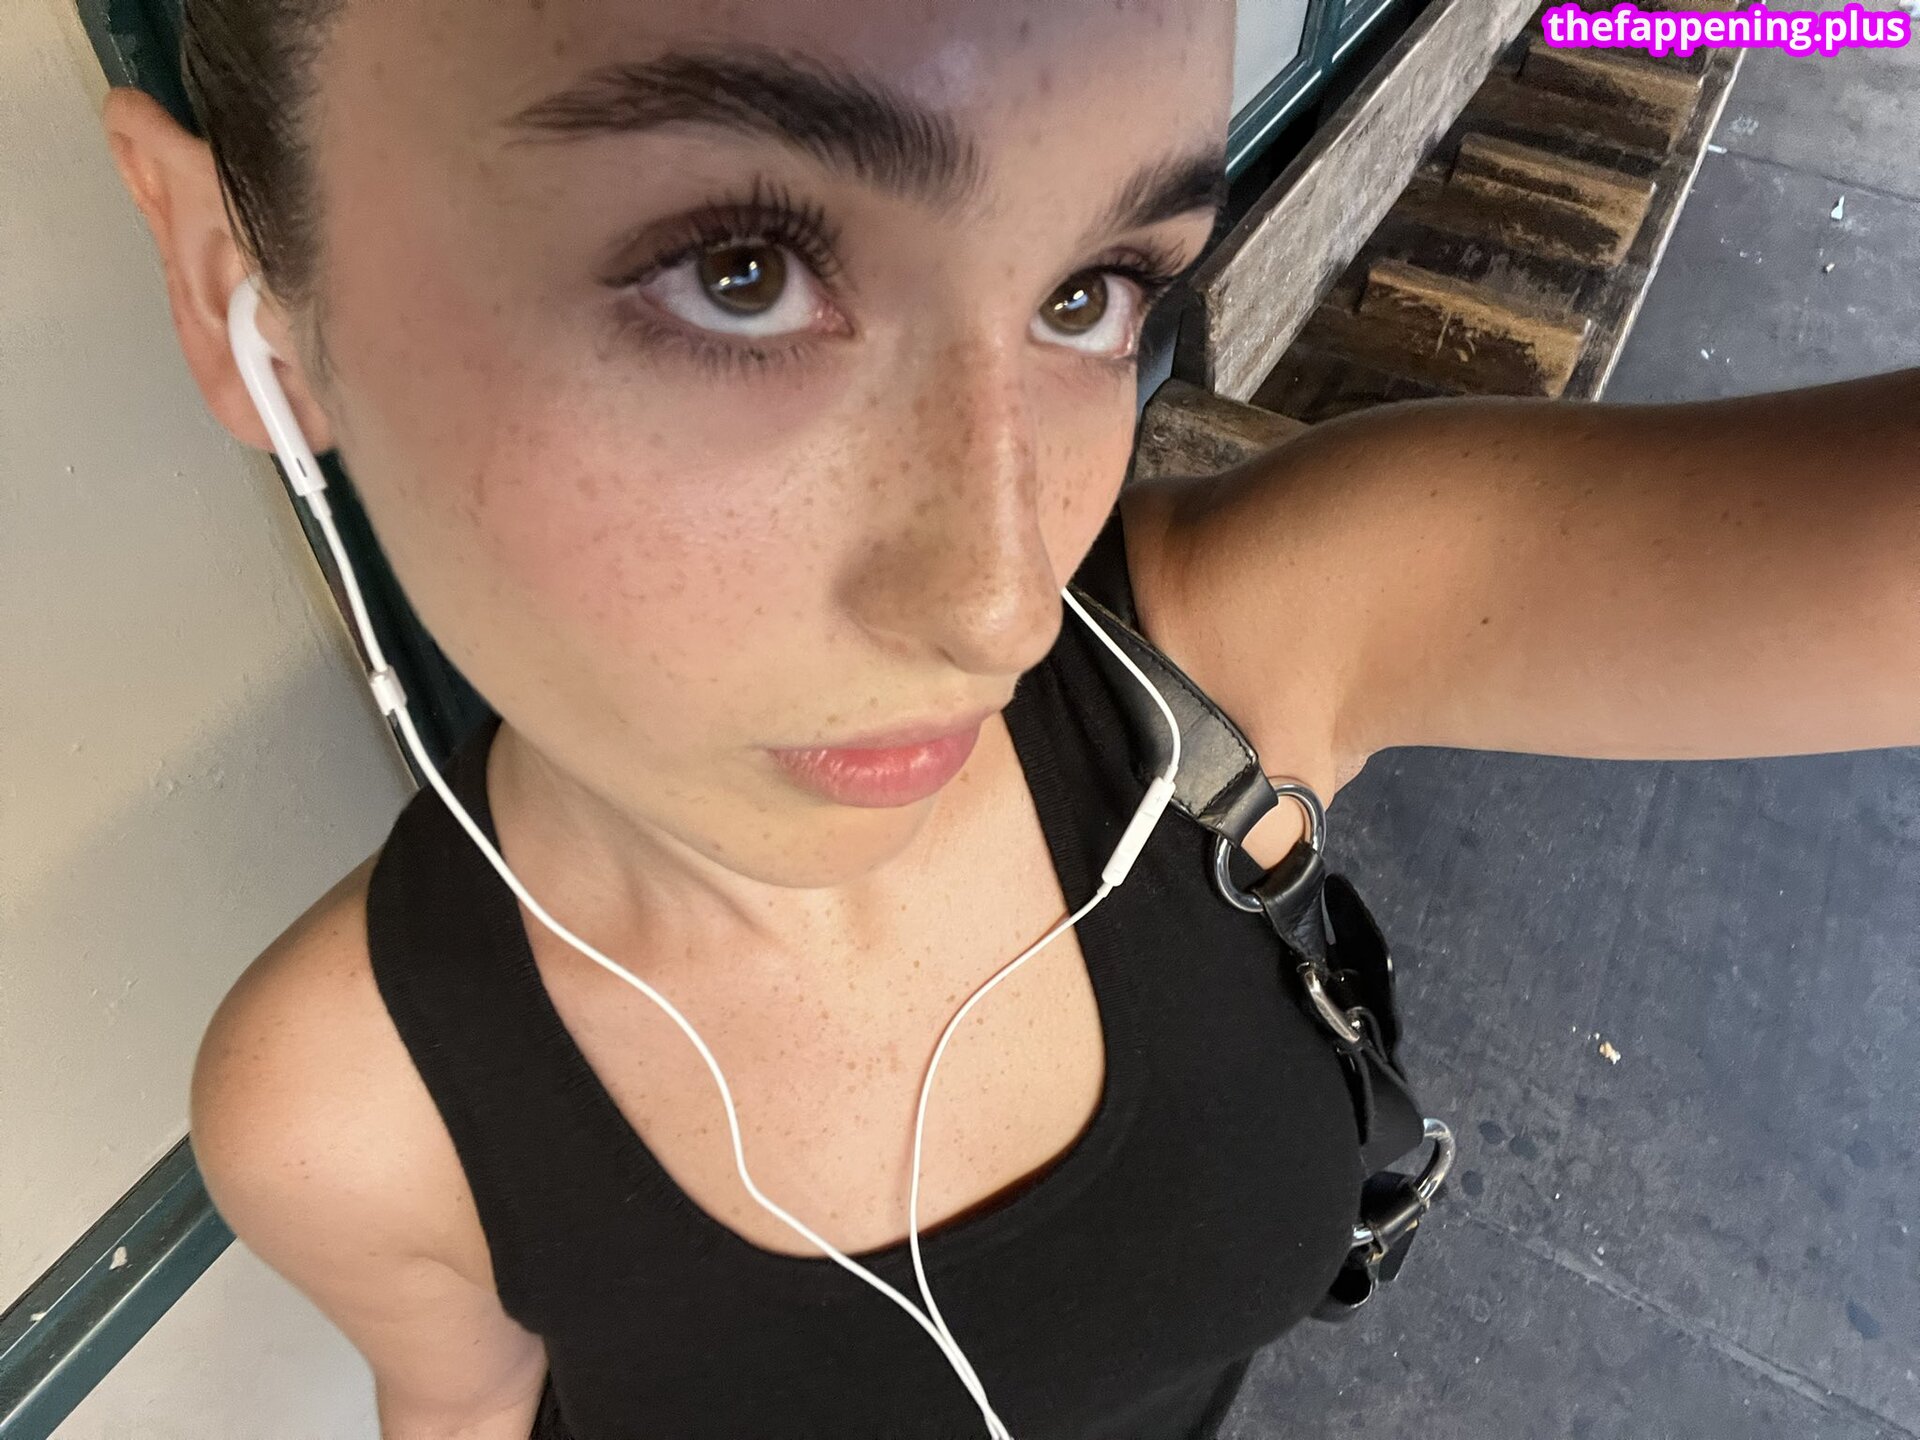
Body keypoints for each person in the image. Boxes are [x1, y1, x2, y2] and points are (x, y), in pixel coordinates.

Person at [99, 1, 1920, 1436]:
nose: (999, 605)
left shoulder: (1236, 671)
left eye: (1087, 294)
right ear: (238, 293)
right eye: (737, 272)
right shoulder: (342, 1111)